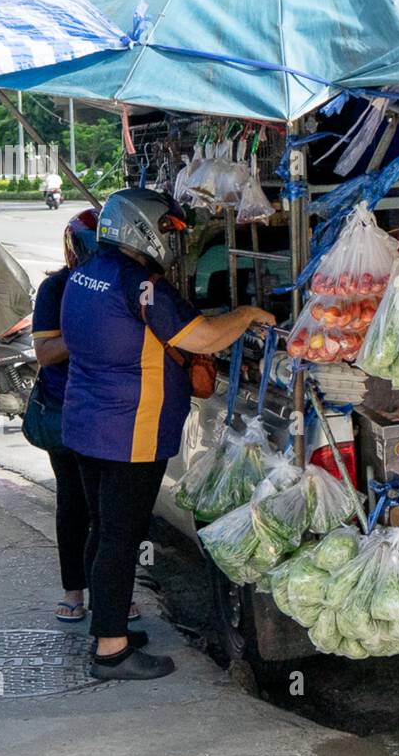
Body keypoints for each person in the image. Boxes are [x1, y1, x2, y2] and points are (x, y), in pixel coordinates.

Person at [60, 187, 275, 682]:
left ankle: (105, 623)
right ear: (139, 226)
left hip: (88, 425)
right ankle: (111, 651)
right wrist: (246, 315)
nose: (168, 239)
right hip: (130, 432)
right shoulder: (142, 285)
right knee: (120, 536)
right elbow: (201, 337)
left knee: (103, 527)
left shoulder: (85, 274)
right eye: (164, 229)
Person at [31, 208, 102, 624]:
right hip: (65, 409)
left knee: (109, 508)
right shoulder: (55, 288)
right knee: (74, 501)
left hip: (109, 410)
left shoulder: (119, 282)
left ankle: (110, 592)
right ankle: (74, 590)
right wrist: (92, 332)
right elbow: (44, 353)